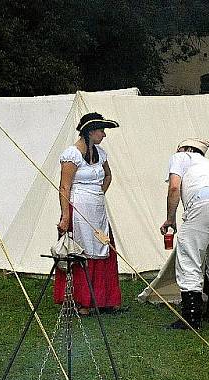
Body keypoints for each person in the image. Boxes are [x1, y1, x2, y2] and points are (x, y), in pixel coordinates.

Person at [53, 112, 121, 314]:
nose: (104, 135)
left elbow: (108, 175)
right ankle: (82, 300)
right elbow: (64, 187)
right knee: (80, 251)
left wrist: (99, 192)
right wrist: (65, 216)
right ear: (90, 132)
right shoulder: (71, 155)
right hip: (78, 209)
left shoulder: (100, 153)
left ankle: (103, 299)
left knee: (102, 248)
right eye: (101, 130)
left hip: (97, 209)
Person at [160, 138, 209, 329]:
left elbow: (174, 187)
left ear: (185, 149)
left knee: (189, 259)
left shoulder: (180, 156)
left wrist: (170, 218)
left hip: (202, 205)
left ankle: (191, 318)